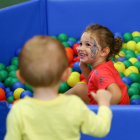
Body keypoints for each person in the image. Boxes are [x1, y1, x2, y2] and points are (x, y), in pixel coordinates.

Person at [4, 36, 113, 140]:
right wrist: (104, 104)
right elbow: (101, 129)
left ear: (21, 77)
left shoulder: (18, 111)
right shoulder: (74, 105)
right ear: (66, 75)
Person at [65, 24, 130, 105]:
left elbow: (116, 94)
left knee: (79, 89)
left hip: (116, 109)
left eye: (88, 45)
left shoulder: (100, 72)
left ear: (104, 51)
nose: (80, 48)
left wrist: (102, 111)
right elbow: (94, 82)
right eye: (81, 44)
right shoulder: (105, 64)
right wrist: (83, 67)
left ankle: (53, 104)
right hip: (121, 103)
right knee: (81, 88)